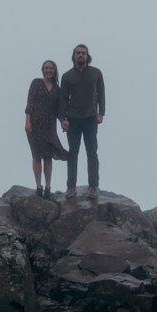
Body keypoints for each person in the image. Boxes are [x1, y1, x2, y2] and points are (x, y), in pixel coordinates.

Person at [58, 43, 105, 197]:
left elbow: (101, 93)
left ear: (87, 56)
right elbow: (63, 100)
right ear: (74, 56)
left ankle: (93, 187)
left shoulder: (96, 73)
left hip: (91, 118)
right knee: (73, 153)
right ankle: (71, 187)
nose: (80, 55)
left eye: (83, 53)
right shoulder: (66, 76)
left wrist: (101, 113)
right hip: (73, 119)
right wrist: (62, 119)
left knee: (92, 153)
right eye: (78, 53)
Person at [24, 59, 68, 198]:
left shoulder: (57, 88)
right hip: (35, 125)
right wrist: (27, 122)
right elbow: (30, 103)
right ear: (42, 70)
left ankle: (48, 188)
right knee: (37, 156)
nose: (48, 70)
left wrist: (63, 121)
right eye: (46, 68)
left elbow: (59, 109)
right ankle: (38, 187)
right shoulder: (36, 83)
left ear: (54, 71)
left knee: (48, 157)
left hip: (50, 126)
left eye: (51, 68)